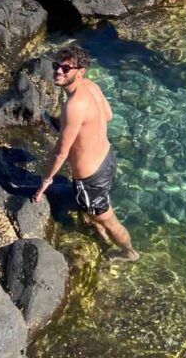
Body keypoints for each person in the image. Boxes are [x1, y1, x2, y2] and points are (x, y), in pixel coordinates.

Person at [32, 46, 139, 261]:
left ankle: (130, 253)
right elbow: (108, 115)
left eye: (65, 68)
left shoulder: (73, 106)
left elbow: (60, 153)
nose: (58, 71)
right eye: (56, 66)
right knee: (96, 212)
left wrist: (45, 181)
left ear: (79, 72)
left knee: (109, 220)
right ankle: (95, 223)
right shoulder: (90, 86)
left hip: (90, 178)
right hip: (107, 159)